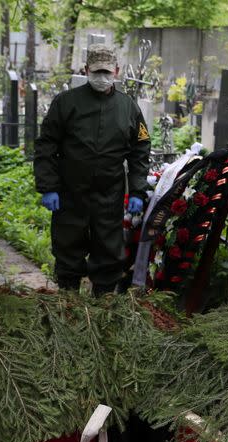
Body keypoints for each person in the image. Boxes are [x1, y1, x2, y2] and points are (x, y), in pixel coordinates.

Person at [34, 44, 151, 295]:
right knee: (68, 248)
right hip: (70, 192)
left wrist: (138, 192)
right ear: (86, 70)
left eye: (107, 73)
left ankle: (103, 304)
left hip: (109, 193)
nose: (102, 78)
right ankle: (68, 301)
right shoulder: (66, 103)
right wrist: (48, 187)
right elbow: (46, 146)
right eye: (97, 72)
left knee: (108, 251)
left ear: (116, 72)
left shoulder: (128, 108)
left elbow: (140, 151)